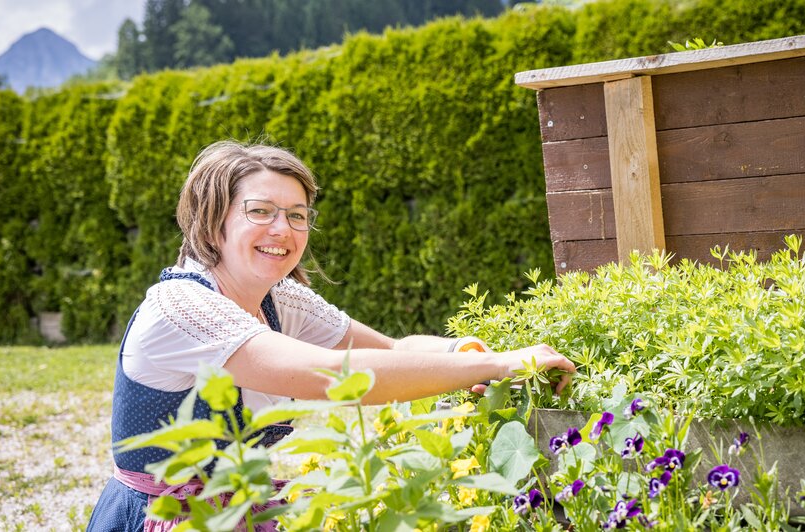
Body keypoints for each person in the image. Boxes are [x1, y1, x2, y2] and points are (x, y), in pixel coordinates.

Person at [87, 140, 575, 531]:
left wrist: (466, 354)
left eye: (297, 215)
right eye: (260, 211)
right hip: (162, 520)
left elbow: (392, 351)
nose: (283, 228)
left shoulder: (282, 299)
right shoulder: (181, 307)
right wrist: (493, 365)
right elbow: (334, 376)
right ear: (213, 221)